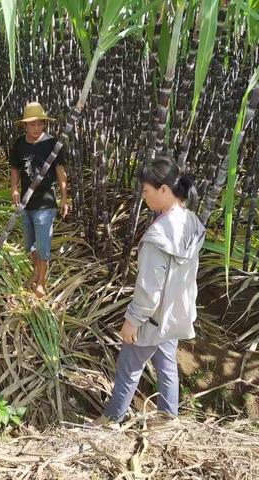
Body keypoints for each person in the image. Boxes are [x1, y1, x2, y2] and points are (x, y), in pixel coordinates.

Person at [96, 159, 205, 427]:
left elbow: (150, 288)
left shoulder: (159, 235)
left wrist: (132, 320)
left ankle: (111, 421)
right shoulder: (191, 222)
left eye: (146, 191)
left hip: (153, 316)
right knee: (167, 362)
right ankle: (168, 417)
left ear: (164, 190)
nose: (144, 197)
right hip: (175, 313)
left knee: (129, 367)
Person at [10, 102, 68, 298]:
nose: (36, 128)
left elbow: (61, 172)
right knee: (30, 245)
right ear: (25, 125)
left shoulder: (52, 144)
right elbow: (15, 168)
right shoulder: (19, 143)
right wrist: (14, 189)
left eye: (40, 124)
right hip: (26, 204)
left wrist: (65, 198)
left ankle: (41, 282)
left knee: (42, 246)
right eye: (32, 124)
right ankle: (37, 271)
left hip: (45, 204)